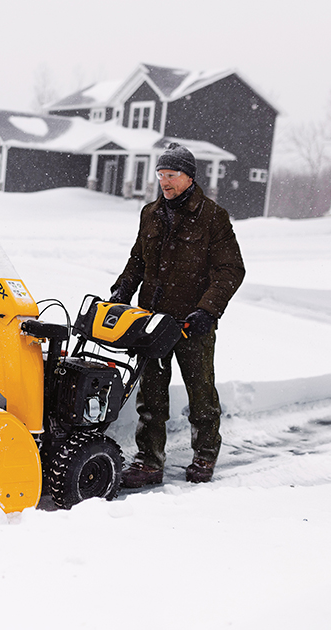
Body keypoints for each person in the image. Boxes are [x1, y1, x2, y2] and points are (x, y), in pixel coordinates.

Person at [107, 142, 245, 486]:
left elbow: (231, 269)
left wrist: (207, 310)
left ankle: (205, 455)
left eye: (171, 175)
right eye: (161, 175)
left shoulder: (213, 217)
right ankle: (149, 462)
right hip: (151, 322)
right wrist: (122, 289)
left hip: (190, 323)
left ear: (189, 177)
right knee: (150, 398)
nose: (164, 182)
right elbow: (138, 259)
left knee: (201, 395)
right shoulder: (150, 213)